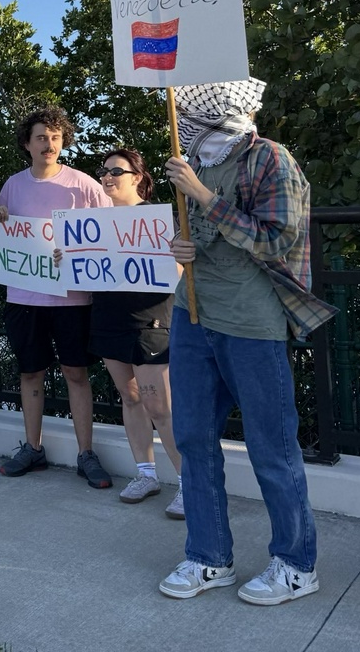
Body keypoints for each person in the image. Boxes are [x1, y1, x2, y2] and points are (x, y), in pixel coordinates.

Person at [159, 79, 336, 605]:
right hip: (192, 314)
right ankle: (208, 558)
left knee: (271, 446)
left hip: (252, 322)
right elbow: (193, 233)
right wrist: (180, 245)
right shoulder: (190, 160)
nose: (186, 117)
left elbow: (279, 237)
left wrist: (202, 197)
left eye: (194, 109)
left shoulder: (270, 160)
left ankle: (297, 565)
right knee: (192, 438)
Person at [0, 105, 113, 488]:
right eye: (41, 136)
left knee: (76, 373)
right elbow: (0, 231)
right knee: (30, 372)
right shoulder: (13, 184)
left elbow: (109, 238)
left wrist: (74, 253)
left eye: (55, 136)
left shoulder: (85, 185)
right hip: (24, 296)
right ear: (27, 143)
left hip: (73, 298)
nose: (49, 143)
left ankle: (86, 454)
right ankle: (33, 447)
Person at [86, 149, 183, 516]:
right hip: (110, 317)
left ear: (138, 177)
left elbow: (180, 274)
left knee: (161, 405)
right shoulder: (96, 222)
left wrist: (175, 261)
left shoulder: (160, 220)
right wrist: (66, 257)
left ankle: (188, 483)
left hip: (150, 321)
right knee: (130, 397)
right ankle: (146, 474)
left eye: (116, 171)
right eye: (104, 171)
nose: (108, 177)